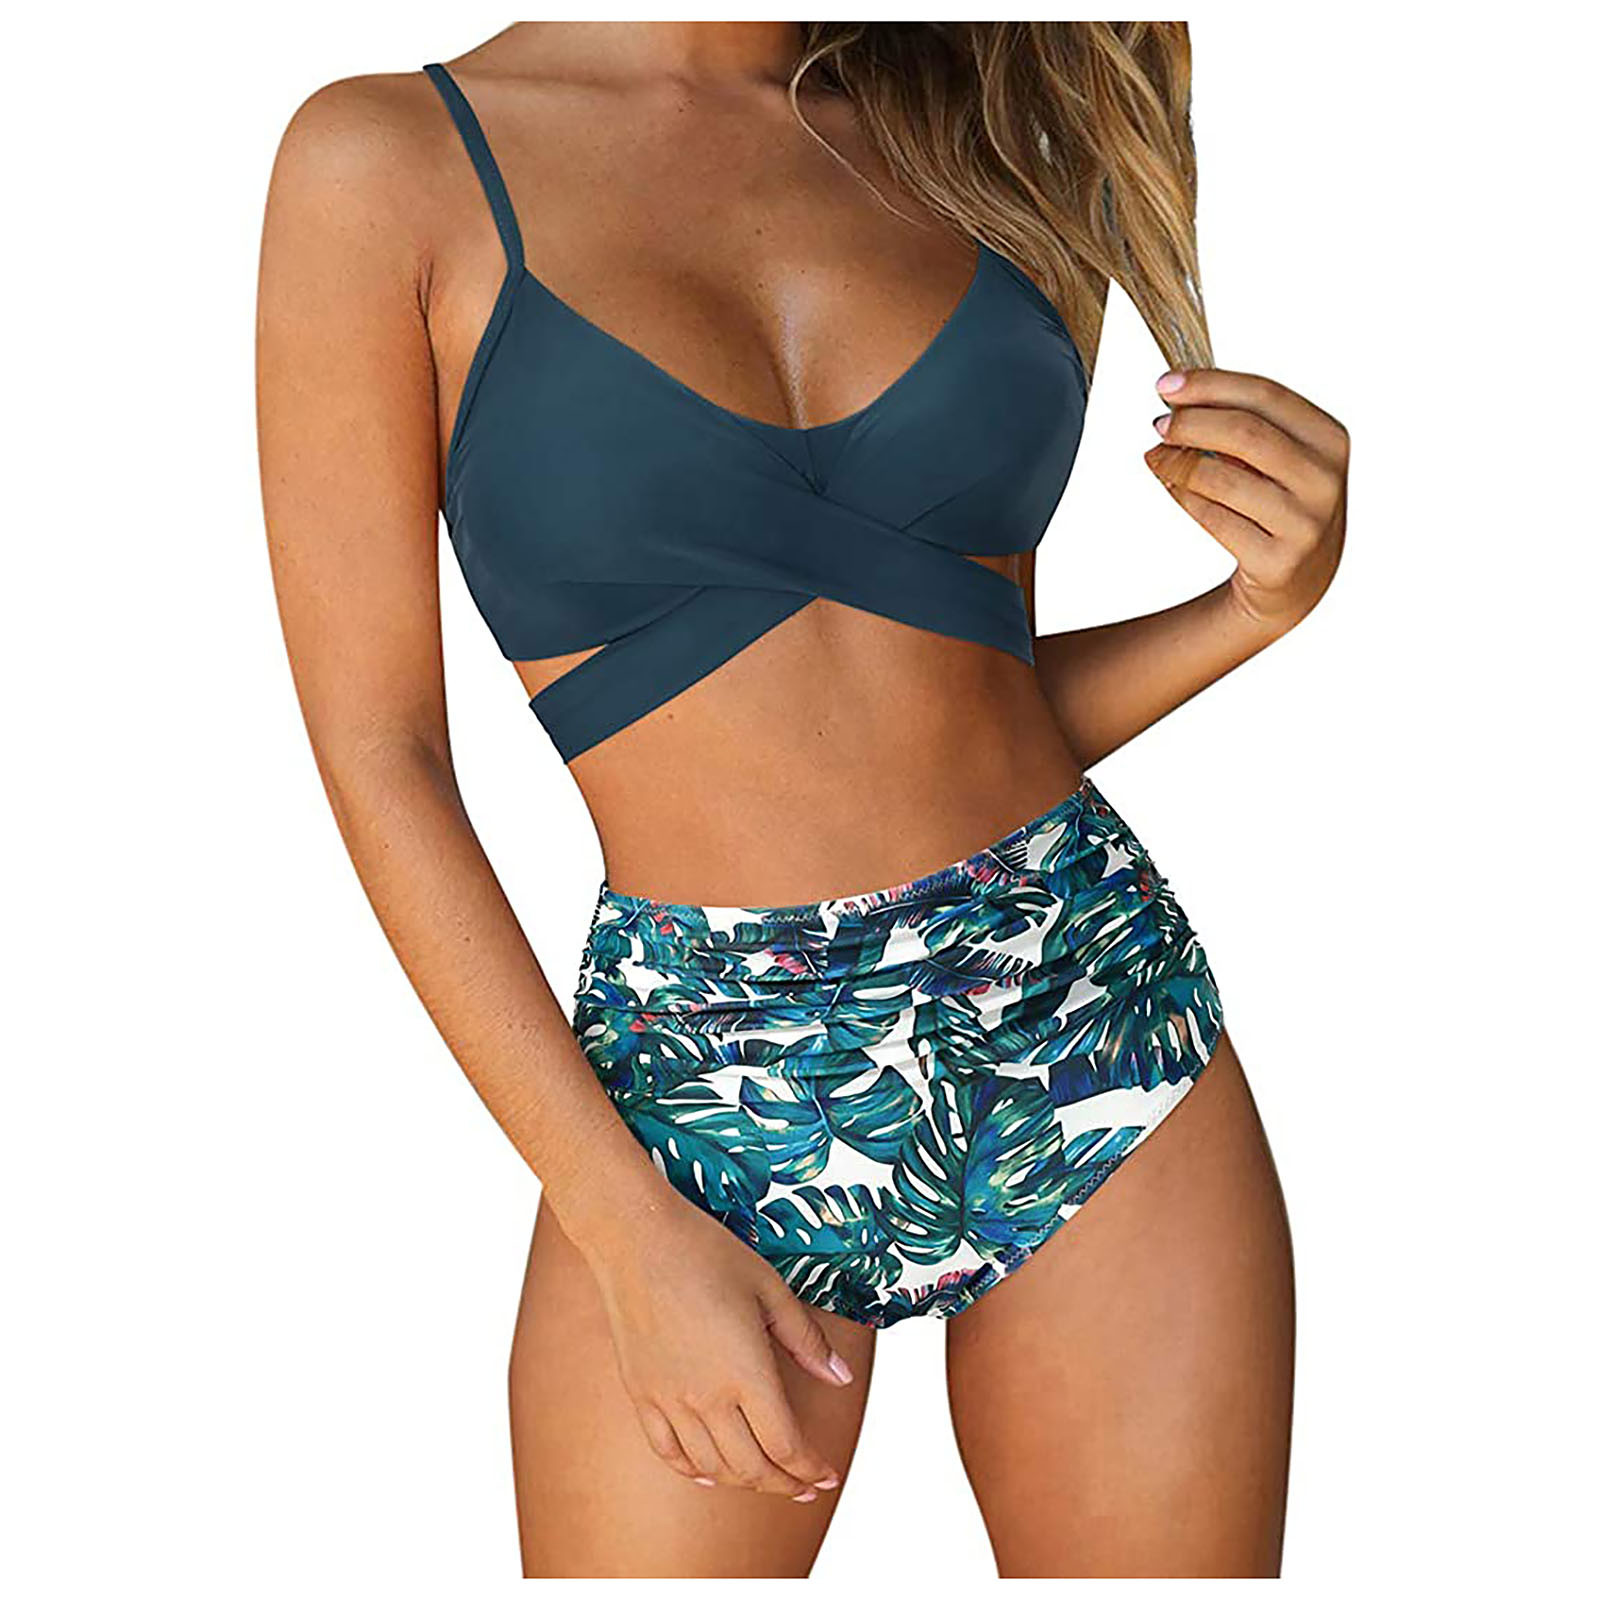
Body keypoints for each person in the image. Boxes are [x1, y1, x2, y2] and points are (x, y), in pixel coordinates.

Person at [256, 21, 1344, 1578]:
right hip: (703, 1088)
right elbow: (382, 756)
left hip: (1088, 1013)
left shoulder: (977, 129)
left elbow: (964, 710)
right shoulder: (383, 166)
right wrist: (623, 1225)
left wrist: (1254, 610)